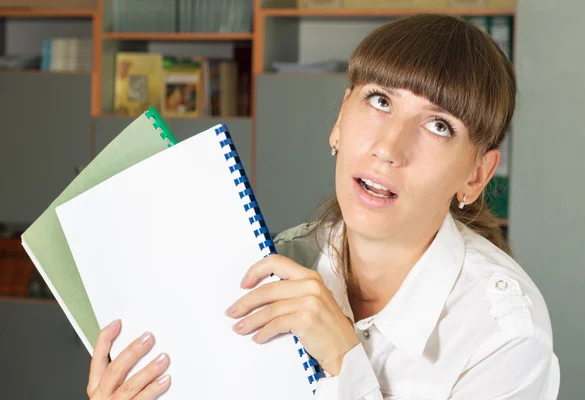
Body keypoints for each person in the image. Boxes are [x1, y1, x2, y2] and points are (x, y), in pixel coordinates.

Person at [85, 13, 560, 400]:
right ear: (339, 121)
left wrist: (343, 360)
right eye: (379, 100)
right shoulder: (274, 262)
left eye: (439, 126)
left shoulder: (505, 336)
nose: (388, 148)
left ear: (476, 175)